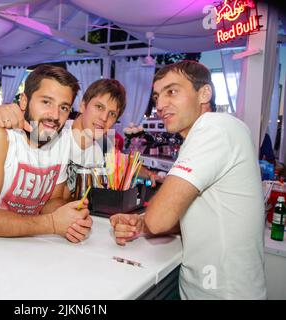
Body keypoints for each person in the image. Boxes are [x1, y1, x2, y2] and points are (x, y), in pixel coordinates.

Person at [110, 60, 266, 299]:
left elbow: (159, 219)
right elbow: (199, 216)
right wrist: (140, 223)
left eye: (171, 91)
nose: (160, 105)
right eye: (156, 97)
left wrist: (149, 221)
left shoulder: (214, 128)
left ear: (204, 93)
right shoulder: (216, 131)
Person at [0, 65, 92, 243]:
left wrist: (70, 217)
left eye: (64, 107)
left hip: (23, 255)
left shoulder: (60, 140)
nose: (55, 115)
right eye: (46, 102)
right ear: (24, 101)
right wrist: (52, 223)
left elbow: (53, 199)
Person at [0, 78, 162, 191]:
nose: (104, 118)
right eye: (99, 107)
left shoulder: (104, 142)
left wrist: (152, 175)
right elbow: (15, 130)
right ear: (83, 106)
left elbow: (123, 163)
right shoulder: (54, 131)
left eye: (112, 114)